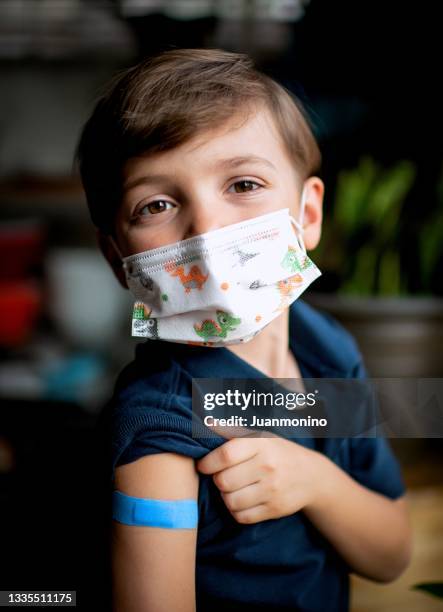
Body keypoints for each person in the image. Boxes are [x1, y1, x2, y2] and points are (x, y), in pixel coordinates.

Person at [75, 48, 411, 612]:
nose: (206, 231)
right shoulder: (160, 441)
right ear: (119, 261)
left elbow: (392, 552)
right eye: (156, 204)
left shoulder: (325, 349)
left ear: (307, 215)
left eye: (243, 184)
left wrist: (315, 481)